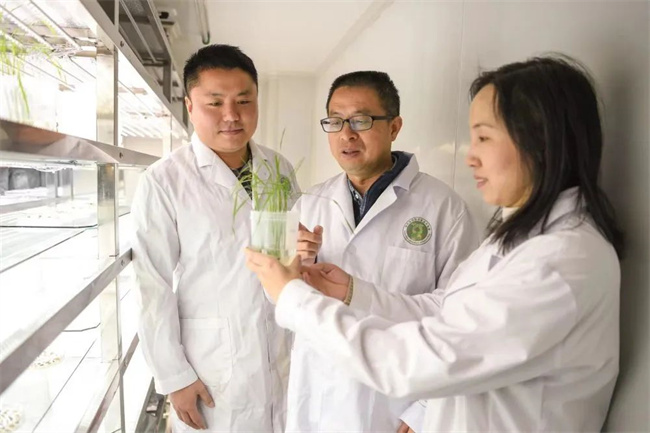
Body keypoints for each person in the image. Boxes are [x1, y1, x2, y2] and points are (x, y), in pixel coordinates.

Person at [247, 55, 623, 432]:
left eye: (484, 137)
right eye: (336, 121)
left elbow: (424, 358)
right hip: (328, 393)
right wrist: (349, 291)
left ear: (540, 140)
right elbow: (445, 311)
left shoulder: (555, 263)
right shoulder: (519, 243)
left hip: (392, 397)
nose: (470, 156)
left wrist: (296, 299)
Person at [293, 71, 478, 433]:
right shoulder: (310, 202)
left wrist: (425, 409)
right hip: (320, 394)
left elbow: (461, 318)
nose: (346, 134)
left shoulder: (444, 208)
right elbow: (287, 303)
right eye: (335, 121)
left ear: (394, 127)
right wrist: (298, 266)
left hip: (398, 404)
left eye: (361, 120)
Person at [131, 44, 299, 432]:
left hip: (283, 351)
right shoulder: (164, 180)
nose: (231, 115)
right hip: (211, 367)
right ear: (190, 106)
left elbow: (289, 256)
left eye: (244, 100)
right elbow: (151, 283)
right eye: (215, 102)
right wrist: (174, 377)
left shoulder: (279, 168)